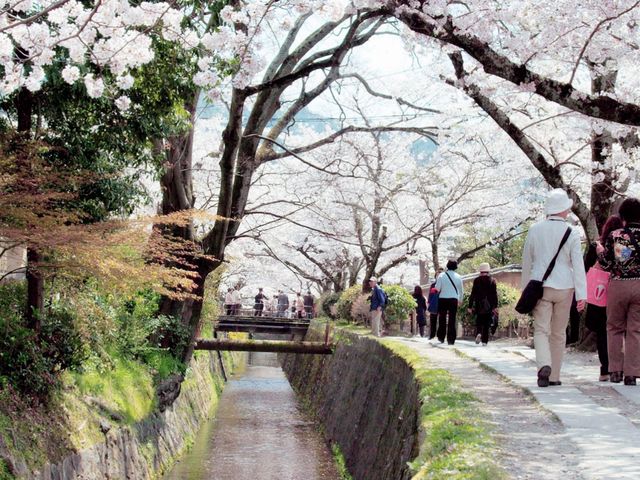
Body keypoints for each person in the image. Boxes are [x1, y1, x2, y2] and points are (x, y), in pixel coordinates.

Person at [521, 189, 587, 387]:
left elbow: (527, 262)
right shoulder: (572, 232)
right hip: (565, 288)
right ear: (563, 210)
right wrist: (582, 295)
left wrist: (526, 290)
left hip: (541, 287)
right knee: (558, 333)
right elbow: (578, 264)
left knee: (541, 330)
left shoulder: (534, 230)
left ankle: (543, 365)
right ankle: (555, 376)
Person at [597, 198, 640, 386]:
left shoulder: (616, 235)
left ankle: (615, 371)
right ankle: (632, 373)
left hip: (619, 285)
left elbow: (607, 264)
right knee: (635, 329)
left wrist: (600, 251)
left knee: (614, 327)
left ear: (622, 216)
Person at [584, 214, 623, 381]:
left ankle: (605, 369)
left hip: (598, 293)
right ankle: (620, 369)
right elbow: (622, 264)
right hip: (617, 291)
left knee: (602, 331)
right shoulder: (620, 244)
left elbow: (585, 268)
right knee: (619, 330)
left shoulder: (595, 246)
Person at [467, 263, 498, 346]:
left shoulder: (477, 280)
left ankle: (479, 333)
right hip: (489, 305)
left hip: (479, 304)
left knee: (479, 321)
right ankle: (484, 341)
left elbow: (473, 294)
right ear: (488, 271)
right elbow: (494, 294)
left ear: (480, 271)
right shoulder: (492, 280)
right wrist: (495, 306)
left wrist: (470, 306)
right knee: (487, 323)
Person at [434, 260, 464, 345]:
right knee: (452, 319)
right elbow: (461, 291)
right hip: (453, 299)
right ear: (455, 267)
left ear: (447, 266)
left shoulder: (441, 275)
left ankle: (441, 337)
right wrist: (460, 300)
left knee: (442, 318)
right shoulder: (458, 277)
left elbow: (437, 288)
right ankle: (451, 339)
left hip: (443, 298)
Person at [427, 267, 443, 339]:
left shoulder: (444, 285)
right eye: (437, 275)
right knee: (433, 320)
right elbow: (430, 295)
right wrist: (429, 303)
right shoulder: (433, 285)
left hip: (442, 303)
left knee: (441, 320)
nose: (438, 277)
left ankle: (440, 336)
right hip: (434, 303)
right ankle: (432, 335)